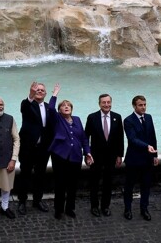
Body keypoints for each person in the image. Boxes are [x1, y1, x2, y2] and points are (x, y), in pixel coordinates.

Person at [47, 83, 93, 219]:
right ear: (60, 110)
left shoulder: (77, 120)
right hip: (60, 156)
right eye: (63, 105)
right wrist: (55, 94)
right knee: (60, 184)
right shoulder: (57, 119)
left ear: (71, 109)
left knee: (73, 185)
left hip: (75, 157)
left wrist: (88, 152)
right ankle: (58, 209)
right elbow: (50, 108)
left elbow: (84, 138)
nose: (66, 107)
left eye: (68, 105)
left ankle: (70, 208)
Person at [16, 82, 56, 215]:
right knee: (25, 174)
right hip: (28, 147)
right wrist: (30, 94)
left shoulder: (48, 107)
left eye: (42, 90)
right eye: (37, 90)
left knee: (40, 175)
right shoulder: (28, 104)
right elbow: (25, 106)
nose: (39, 91)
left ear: (45, 93)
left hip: (43, 148)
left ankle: (37, 200)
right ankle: (22, 201)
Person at [85, 94, 123, 217]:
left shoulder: (117, 117)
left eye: (108, 102)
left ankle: (105, 206)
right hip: (96, 156)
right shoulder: (92, 117)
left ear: (111, 103)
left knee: (108, 183)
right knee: (94, 183)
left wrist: (119, 155)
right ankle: (94, 206)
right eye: (104, 102)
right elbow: (86, 137)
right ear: (99, 104)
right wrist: (86, 154)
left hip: (111, 157)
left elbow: (120, 138)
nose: (106, 105)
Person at [122, 95, 158, 221]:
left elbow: (153, 136)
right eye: (140, 105)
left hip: (148, 159)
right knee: (129, 186)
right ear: (134, 106)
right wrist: (147, 146)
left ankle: (144, 209)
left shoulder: (148, 117)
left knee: (146, 186)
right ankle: (127, 209)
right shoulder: (128, 120)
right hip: (134, 159)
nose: (143, 107)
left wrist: (155, 155)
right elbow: (132, 139)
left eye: (144, 104)